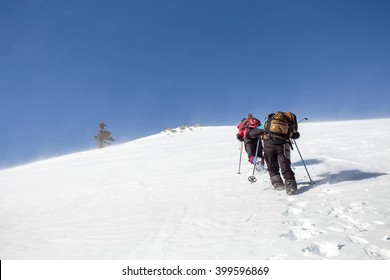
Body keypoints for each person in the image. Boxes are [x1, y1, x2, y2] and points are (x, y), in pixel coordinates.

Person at [263, 112, 300, 195]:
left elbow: (259, 130)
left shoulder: (267, 122)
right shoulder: (288, 122)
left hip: (269, 145)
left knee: (271, 165)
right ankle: (291, 185)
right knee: (285, 165)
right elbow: (296, 135)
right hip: (283, 145)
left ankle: (277, 184)